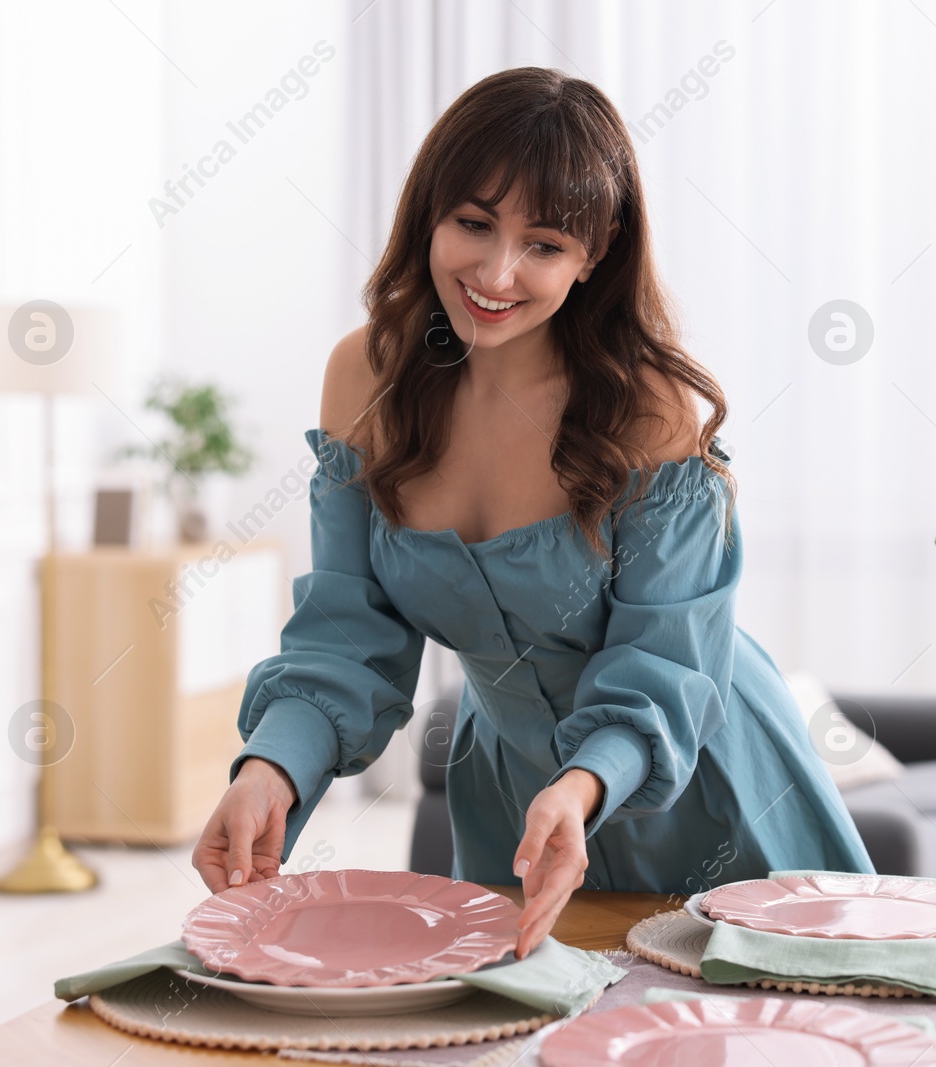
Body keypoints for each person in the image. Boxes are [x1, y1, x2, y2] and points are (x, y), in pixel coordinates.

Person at [192, 66, 873, 959]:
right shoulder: (365, 377)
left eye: (544, 244)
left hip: (700, 768)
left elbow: (664, 663)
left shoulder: (649, 406)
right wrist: (270, 765)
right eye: (473, 224)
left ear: (597, 251)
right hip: (513, 792)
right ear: (428, 209)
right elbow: (344, 635)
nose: (497, 272)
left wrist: (585, 782)